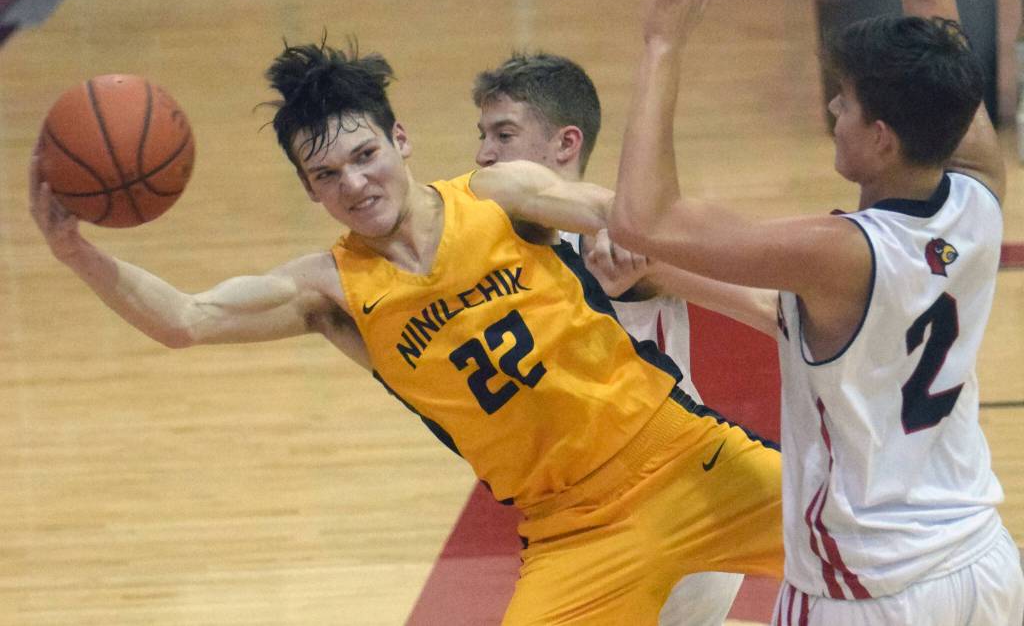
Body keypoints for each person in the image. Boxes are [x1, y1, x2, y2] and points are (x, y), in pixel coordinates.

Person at [30, 37, 782, 624]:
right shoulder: (330, 290)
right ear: (309, 188)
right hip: (570, 528)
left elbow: (611, 208)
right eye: (327, 175)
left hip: (685, 456)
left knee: (886, 540)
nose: (355, 184)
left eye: (365, 155)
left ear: (401, 138)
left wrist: (633, 232)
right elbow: (185, 320)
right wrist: (74, 250)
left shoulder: (497, 191)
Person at [611, 0, 1024, 626]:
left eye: (843, 102)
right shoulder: (980, 193)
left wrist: (662, 46)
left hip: (869, 591)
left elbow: (645, 216)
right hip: (985, 567)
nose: (830, 111)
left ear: (880, 138)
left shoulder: (840, 253)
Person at [473, 51, 778, 626]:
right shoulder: (496, 251)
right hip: (581, 518)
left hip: (671, 500)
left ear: (565, 146)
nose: (484, 154)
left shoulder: (616, 244)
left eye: (503, 134)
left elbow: (765, 307)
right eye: (482, 134)